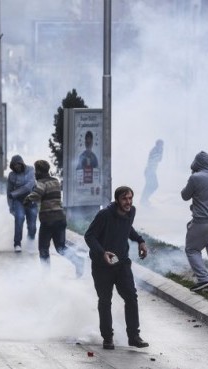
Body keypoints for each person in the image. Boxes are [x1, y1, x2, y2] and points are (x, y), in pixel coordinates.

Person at [84, 186, 149, 350]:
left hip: (122, 264)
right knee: (105, 301)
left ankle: (134, 336)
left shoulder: (131, 212)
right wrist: (101, 252)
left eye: (130, 199)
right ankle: (107, 337)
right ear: (117, 200)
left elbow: (128, 229)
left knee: (131, 298)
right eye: (124, 199)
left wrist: (140, 240)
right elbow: (89, 236)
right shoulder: (105, 215)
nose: (128, 202)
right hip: (102, 265)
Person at [23, 160, 84, 277]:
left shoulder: (41, 182)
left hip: (48, 220)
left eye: (36, 171)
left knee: (43, 248)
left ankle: (46, 276)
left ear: (40, 171)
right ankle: (78, 261)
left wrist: (27, 199)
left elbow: (37, 193)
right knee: (61, 247)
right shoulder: (55, 181)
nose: (35, 173)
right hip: (60, 218)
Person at [180, 151, 208, 293]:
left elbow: (184, 195)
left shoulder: (195, 178)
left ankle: (203, 279)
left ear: (197, 163)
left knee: (192, 250)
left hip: (202, 223)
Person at [7, 155, 37, 252]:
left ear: (22, 163)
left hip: (31, 199)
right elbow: (9, 192)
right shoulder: (11, 175)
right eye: (14, 165)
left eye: (18, 164)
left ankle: (30, 242)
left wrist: (14, 193)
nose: (17, 167)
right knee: (19, 219)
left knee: (32, 224)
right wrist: (11, 207)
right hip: (18, 201)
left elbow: (29, 186)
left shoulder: (31, 170)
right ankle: (17, 243)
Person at [140, 139, 164, 206]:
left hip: (150, 171)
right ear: (157, 145)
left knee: (150, 185)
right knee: (153, 185)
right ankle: (143, 199)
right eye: (161, 145)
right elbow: (158, 159)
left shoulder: (157, 150)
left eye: (162, 145)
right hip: (149, 171)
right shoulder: (155, 151)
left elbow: (159, 160)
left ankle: (144, 199)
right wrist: (161, 152)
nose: (162, 147)